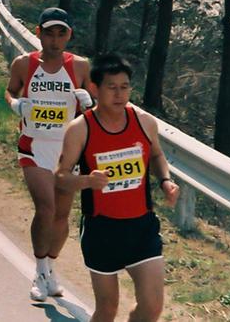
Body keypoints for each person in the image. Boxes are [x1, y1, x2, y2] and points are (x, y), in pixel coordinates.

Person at [56, 55, 179, 322]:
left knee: (152, 306)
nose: (119, 94)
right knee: (108, 309)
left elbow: (156, 156)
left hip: (142, 227)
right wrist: (88, 181)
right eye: (112, 87)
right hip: (102, 230)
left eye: (125, 87)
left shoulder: (144, 122)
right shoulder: (80, 129)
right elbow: (61, 178)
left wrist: (165, 181)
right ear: (94, 89)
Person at [5, 7, 94, 301]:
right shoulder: (24, 63)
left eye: (61, 34)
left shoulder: (80, 66)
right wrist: (16, 104)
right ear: (39, 32)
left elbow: (95, 107)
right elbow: (10, 91)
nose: (55, 40)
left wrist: (88, 100)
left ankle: (51, 268)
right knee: (46, 208)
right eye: (49, 33)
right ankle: (40, 270)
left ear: (69, 35)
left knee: (62, 215)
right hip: (34, 145)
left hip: (68, 150)